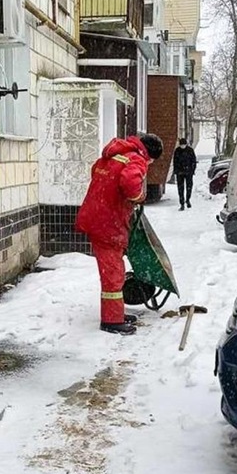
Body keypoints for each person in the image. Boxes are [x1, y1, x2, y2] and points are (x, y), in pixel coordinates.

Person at [76, 132, 164, 335]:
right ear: (149, 155)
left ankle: (115, 313)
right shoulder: (136, 159)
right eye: (150, 162)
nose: (148, 165)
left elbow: (96, 171)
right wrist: (139, 196)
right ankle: (112, 321)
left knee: (113, 269)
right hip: (108, 224)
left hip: (97, 216)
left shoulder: (115, 154)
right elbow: (130, 183)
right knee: (113, 274)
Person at [172, 137, 197, 209]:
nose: (182, 146)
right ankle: (182, 203)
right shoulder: (177, 151)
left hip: (188, 172)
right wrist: (176, 171)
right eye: (181, 145)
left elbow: (193, 161)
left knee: (189, 187)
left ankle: (188, 200)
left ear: (186, 144)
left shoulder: (190, 150)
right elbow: (175, 162)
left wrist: (192, 170)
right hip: (180, 173)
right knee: (180, 188)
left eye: (183, 144)